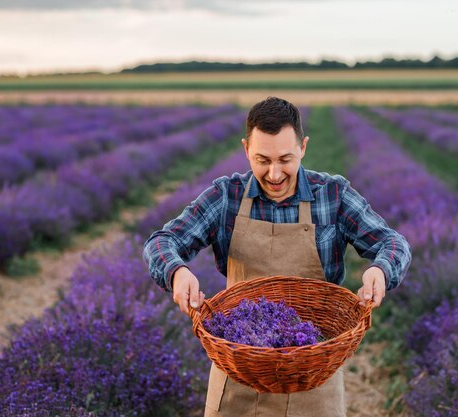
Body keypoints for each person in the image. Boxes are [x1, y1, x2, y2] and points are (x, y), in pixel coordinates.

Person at [143, 96, 412, 417]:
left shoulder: (332, 196)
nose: (273, 174)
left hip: (314, 378)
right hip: (240, 374)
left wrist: (380, 270)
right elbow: (163, 241)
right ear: (246, 149)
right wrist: (177, 272)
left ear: (303, 147)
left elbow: (392, 243)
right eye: (261, 159)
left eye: (285, 159)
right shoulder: (226, 197)